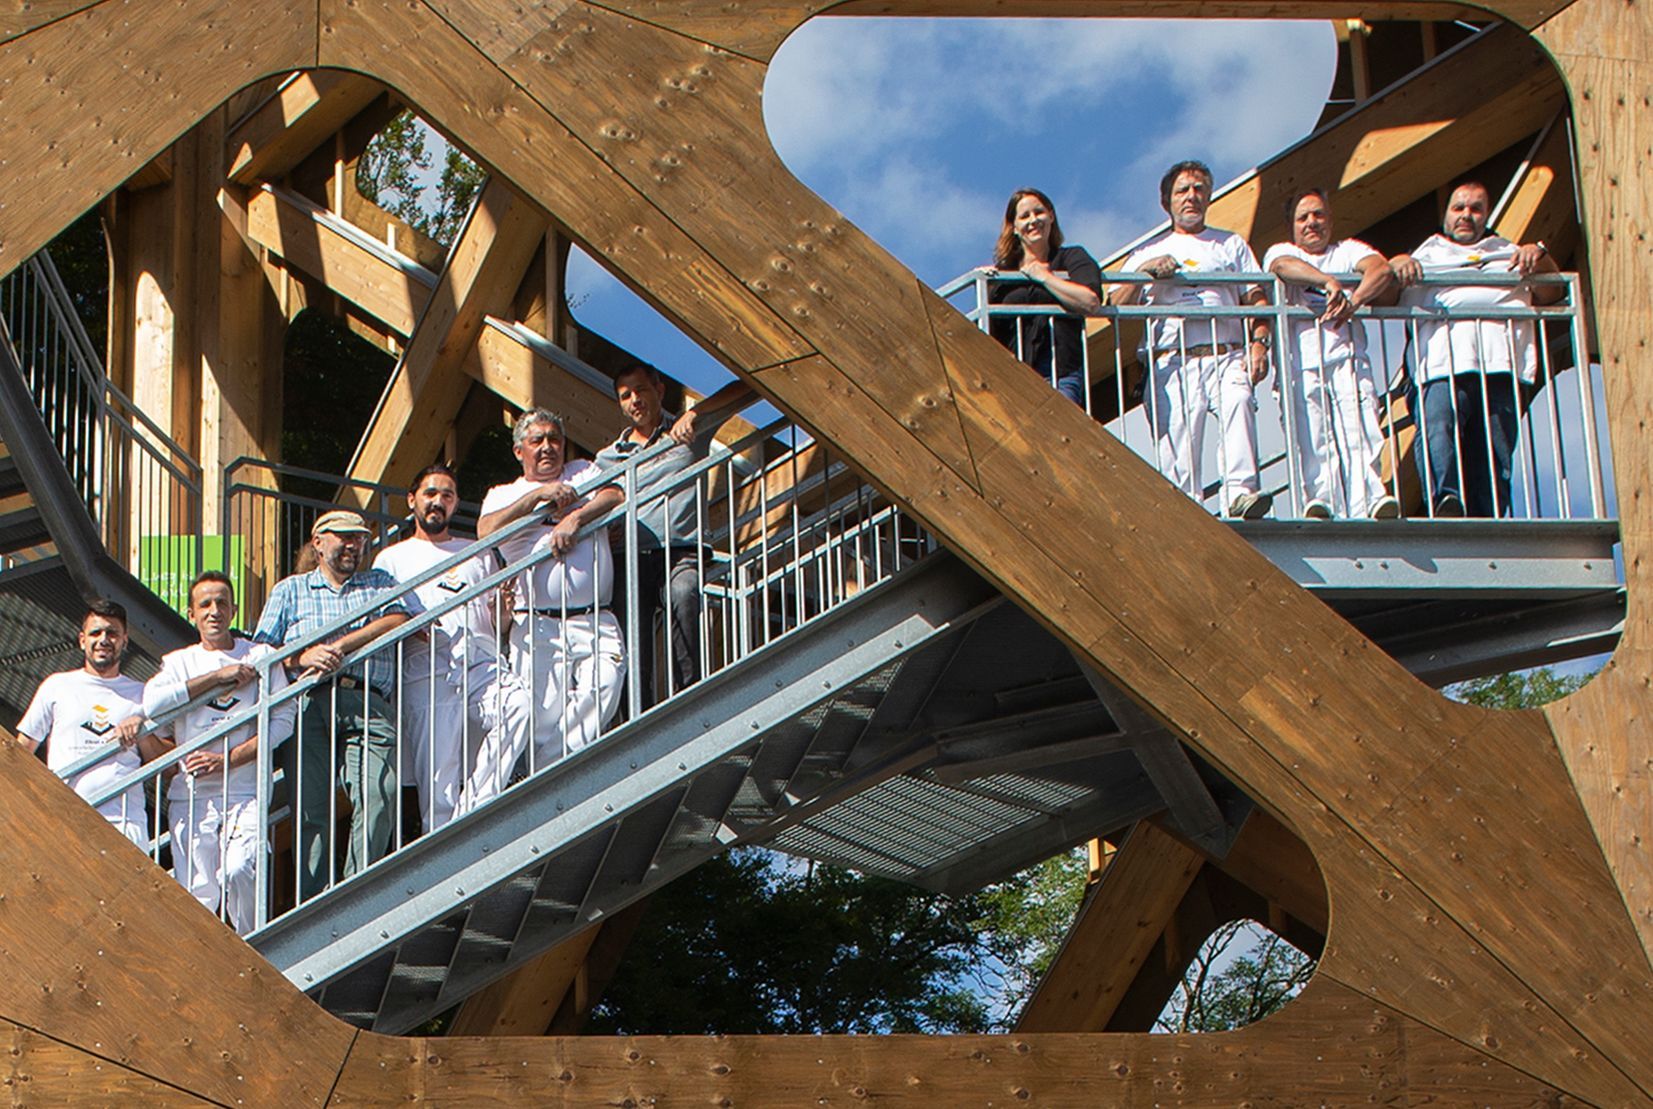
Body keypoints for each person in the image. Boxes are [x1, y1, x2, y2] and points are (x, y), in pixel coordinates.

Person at [252, 509, 414, 902]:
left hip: (367, 698)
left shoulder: (379, 581)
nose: (353, 545)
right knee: (310, 808)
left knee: (380, 793)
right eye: (344, 537)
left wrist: (341, 645)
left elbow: (399, 619)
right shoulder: (290, 590)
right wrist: (303, 656)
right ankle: (317, 902)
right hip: (308, 702)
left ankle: (358, 892)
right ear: (318, 542)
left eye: (359, 538)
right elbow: (261, 654)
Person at [1389, 180, 1562, 517]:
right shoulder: (1426, 254)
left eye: (1475, 209)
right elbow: (1385, 294)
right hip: (1439, 367)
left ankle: (1489, 517)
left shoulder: (1508, 252)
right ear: (1446, 214)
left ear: (1487, 214)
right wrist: (1393, 264)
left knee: (1494, 449)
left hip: (1499, 367)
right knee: (1438, 427)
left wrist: (1541, 259)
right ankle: (1445, 502)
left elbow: (1552, 293)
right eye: (1459, 208)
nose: (1466, 215)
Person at [1114, 160, 1274, 518]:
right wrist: (1145, 272)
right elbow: (1115, 303)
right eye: (1182, 191)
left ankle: (1241, 494)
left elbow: (1256, 296)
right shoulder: (1146, 251)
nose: (1192, 196)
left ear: (1209, 196)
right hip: (1172, 360)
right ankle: (1185, 514)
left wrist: (1260, 342)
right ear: (1166, 202)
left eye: (1199, 189)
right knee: (1178, 446)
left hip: (1227, 353)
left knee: (1239, 402)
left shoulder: (1230, 244)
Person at [375, 464, 532, 826]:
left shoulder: (477, 552)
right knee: (438, 777)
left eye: (447, 495)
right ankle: (444, 843)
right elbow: (384, 618)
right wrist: (410, 627)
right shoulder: (391, 558)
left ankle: (474, 807)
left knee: (518, 706)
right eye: (430, 493)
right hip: (427, 667)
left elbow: (496, 620)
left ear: (456, 503)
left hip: (480, 660)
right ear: (412, 500)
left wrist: (504, 612)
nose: (438, 502)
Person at [474, 409, 625, 783]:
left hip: (595, 617)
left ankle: (545, 779)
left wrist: (575, 518)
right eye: (536, 440)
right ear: (519, 451)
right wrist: (537, 497)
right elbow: (485, 530)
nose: (547, 447)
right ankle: (552, 785)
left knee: (605, 687)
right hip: (536, 624)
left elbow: (615, 493)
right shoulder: (503, 494)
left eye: (554, 439)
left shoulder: (582, 472)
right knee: (542, 718)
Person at [144, 571, 295, 934]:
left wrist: (227, 760)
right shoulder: (178, 662)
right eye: (205, 604)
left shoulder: (259, 655)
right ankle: (201, 957)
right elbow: (152, 705)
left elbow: (284, 720)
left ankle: (249, 944)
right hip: (191, 795)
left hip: (246, 790)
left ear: (234, 610)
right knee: (198, 894)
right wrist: (217, 678)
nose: (214, 611)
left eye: (222, 603)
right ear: (192, 614)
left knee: (240, 868)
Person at [595, 364, 753, 707]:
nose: (634, 400)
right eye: (625, 395)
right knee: (630, 636)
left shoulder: (687, 430)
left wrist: (696, 413)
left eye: (641, 390)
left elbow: (749, 387)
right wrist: (604, 533)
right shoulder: (608, 458)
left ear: (659, 390)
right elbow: (596, 505)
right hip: (629, 556)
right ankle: (636, 716)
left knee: (684, 593)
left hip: (681, 551)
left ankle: (687, 699)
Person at [1263, 188, 1402, 520]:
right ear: (1292, 225)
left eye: (1319, 214)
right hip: (1301, 362)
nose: (1312, 222)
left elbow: (1381, 270)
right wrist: (1329, 282)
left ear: (1330, 219)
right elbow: (1283, 267)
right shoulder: (1282, 250)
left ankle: (1369, 502)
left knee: (1361, 430)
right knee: (1312, 437)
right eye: (1303, 217)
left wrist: (1354, 301)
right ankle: (1321, 501)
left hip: (1347, 358)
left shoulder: (1348, 249)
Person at [17, 600, 163, 848]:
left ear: (125, 640)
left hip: (124, 823)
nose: (103, 639)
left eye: (112, 633)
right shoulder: (56, 685)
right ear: (82, 640)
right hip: (65, 818)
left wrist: (143, 730)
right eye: (95, 633)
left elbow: (166, 765)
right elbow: (21, 751)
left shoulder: (144, 694)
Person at [985, 188, 1103, 407]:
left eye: (1039, 212)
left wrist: (1045, 278)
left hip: (1059, 372)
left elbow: (1090, 301)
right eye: (1024, 216)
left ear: (1051, 216)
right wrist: (983, 284)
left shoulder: (1071, 257)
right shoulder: (1003, 276)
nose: (1033, 220)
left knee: (1059, 425)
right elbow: (988, 331)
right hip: (1013, 378)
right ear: (1014, 227)